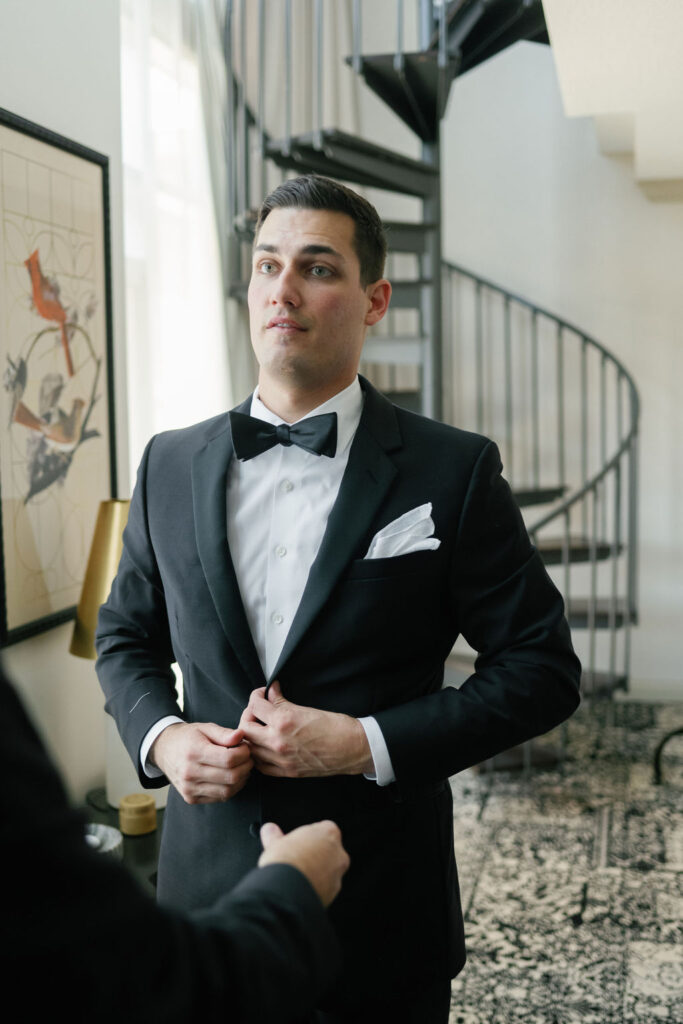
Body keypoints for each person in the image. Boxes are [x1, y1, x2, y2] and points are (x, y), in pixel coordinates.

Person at [96, 174, 581, 1023]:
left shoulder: (453, 469)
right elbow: (123, 636)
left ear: (374, 300)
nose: (282, 290)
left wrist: (364, 743)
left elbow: (541, 669)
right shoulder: (167, 462)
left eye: (316, 268)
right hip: (204, 906)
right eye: (266, 265)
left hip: (382, 905)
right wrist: (163, 740)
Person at [0, 661, 348, 1023]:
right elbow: (134, 980)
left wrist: (360, 741)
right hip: (209, 898)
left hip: (371, 902)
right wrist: (163, 738)